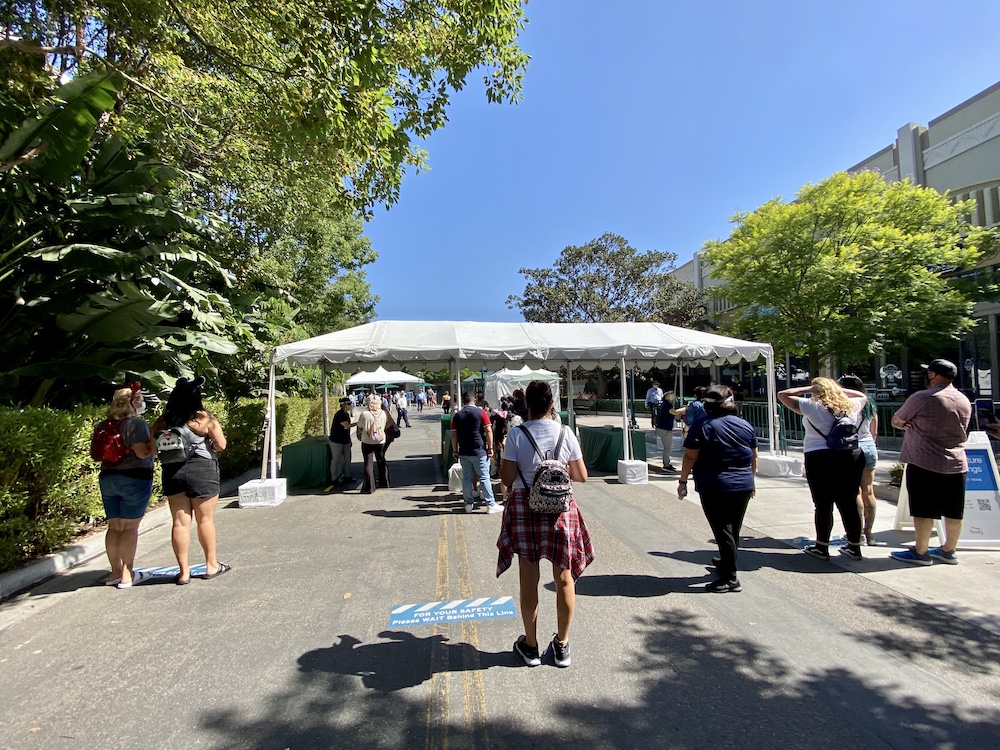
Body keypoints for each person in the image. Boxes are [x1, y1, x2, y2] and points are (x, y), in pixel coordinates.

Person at [498, 380, 592, 668]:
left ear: (527, 405)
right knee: (564, 578)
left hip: (526, 507)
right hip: (561, 510)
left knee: (529, 578)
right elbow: (581, 476)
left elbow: (506, 478)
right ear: (552, 404)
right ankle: (562, 646)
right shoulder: (565, 432)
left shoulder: (517, 434)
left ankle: (531, 645)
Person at [890, 359, 972, 566]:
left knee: (924, 509)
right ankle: (949, 550)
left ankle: (921, 552)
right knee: (954, 510)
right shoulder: (963, 399)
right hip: (956, 462)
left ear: (932, 375)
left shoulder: (923, 397)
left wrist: (905, 424)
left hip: (924, 460)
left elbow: (897, 420)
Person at [677, 385, 758, 592]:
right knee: (733, 528)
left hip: (715, 484)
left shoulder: (702, 424)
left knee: (723, 530)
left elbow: (690, 456)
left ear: (707, 405)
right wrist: (751, 480)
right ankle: (726, 563)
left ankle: (730, 578)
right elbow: (754, 456)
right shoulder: (744, 424)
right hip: (743, 483)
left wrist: (683, 481)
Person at [778, 377, 866, 562]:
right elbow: (861, 395)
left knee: (823, 503)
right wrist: (835, 390)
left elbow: (783, 395)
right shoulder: (851, 405)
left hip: (819, 456)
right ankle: (854, 546)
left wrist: (810, 388)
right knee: (849, 502)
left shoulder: (812, 406)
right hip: (850, 455)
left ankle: (822, 546)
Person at [154, 376, 230, 585]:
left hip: (173, 472)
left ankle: (183, 572)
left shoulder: (163, 421)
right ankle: (211, 565)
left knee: (179, 522)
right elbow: (221, 445)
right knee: (205, 519)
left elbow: (154, 449)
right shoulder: (204, 418)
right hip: (202, 471)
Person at [98, 383, 156, 588]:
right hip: (134, 478)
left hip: (108, 478)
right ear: (132, 402)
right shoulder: (136, 424)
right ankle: (127, 573)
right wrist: (154, 444)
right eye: (139, 397)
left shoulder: (105, 424)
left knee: (114, 526)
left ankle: (113, 572)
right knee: (130, 527)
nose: (142, 401)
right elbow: (141, 453)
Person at [839, 374, 879, 544]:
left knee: (853, 490)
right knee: (868, 490)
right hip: (869, 445)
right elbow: (874, 429)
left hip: (852, 446)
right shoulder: (869, 403)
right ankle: (869, 532)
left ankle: (856, 534)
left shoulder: (847, 403)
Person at [451, 392, 503, 514]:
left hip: (464, 451)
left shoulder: (457, 416)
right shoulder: (481, 413)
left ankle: (468, 504)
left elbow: (454, 434)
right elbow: (488, 430)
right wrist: (490, 448)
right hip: (479, 450)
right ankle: (490, 504)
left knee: (467, 479)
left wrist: (455, 450)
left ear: (463, 401)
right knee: (484, 477)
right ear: (474, 401)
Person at [356, 393, 389, 493]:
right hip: (381, 440)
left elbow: (360, 426)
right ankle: (384, 481)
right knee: (381, 460)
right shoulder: (383, 413)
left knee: (368, 463)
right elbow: (385, 424)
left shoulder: (365, 414)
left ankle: (369, 487)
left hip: (367, 440)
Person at [328, 397, 357, 487]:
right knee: (335, 460)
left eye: (350, 403)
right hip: (336, 441)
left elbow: (347, 430)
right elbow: (346, 426)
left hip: (345, 440)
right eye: (348, 404)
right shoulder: (339, 414)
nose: (350, 405)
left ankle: (348, 476)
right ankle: (334, 478)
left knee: (348, 459)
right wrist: (358, 423)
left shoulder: (346, 414)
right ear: (343, 404)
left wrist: (349, 439)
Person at [654, 391, 678, 473]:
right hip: (665, 429)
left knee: (667, 448)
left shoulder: (662, 404)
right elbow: (674, 412)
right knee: (667, 448)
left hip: (661, 427)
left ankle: (667, 463)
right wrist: (685, 408)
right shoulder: (667, 405)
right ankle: (666, 465)